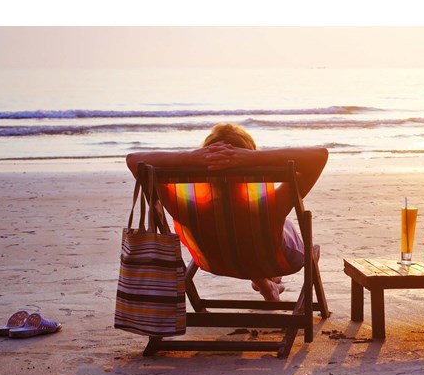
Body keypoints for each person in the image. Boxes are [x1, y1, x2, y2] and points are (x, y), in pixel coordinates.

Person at [126, 123, 328, 301]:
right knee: (274, 228)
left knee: (241, 234)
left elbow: (134, 160)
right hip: (277, 262)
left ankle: (268, 286)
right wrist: (252, 158)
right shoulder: (270, 206)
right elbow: (320, 156)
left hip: (215, 263)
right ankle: (269, 280)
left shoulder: (186, 208)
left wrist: (191, 158)